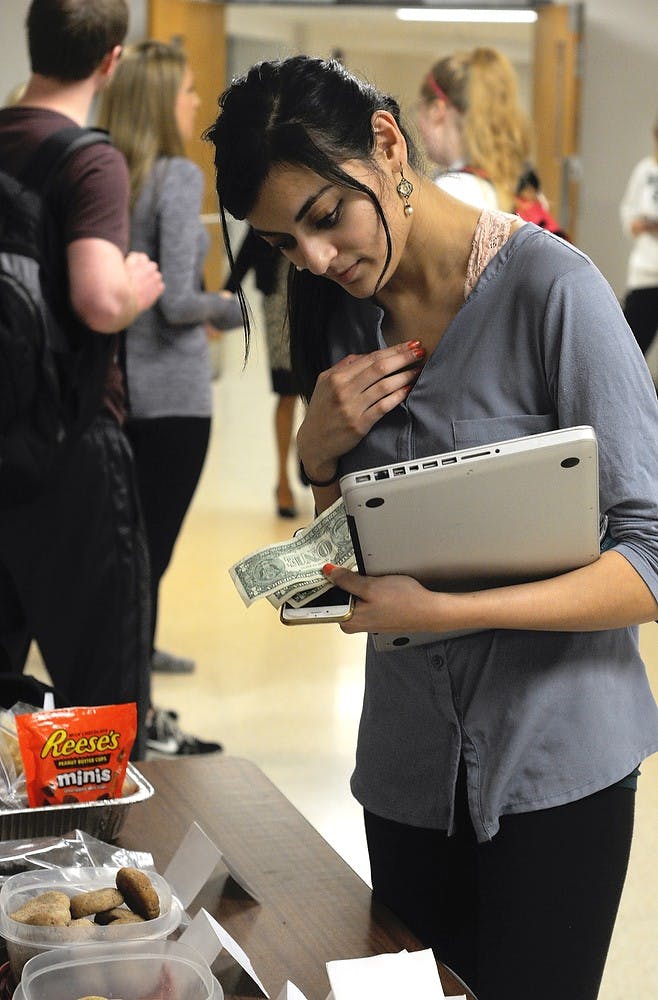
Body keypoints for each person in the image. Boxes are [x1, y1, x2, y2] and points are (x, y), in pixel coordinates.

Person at [206, 55, 658, 1000]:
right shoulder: (341, 312)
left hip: (554, 764)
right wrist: (316, 457)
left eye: (326, 219)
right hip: (411, 768)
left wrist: (451, 609)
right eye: (287, 245)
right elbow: (361, 536)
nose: (318, 261)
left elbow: (649, 559)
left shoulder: (553, 292)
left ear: (387, 142)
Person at [0, 0, 164, 758]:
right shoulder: (86, 157)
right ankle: (88, 857)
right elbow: (99, 300)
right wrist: (136, 284)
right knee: (101, 691)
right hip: (67, 454)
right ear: (111, 60)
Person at [97, 40, 242, 687]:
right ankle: (134, 692)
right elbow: (179, 301)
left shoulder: (103, 175)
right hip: (173, 396)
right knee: (151, 549)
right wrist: (235, 305)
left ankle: (132, 659)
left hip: (115, 390)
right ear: (162, 101)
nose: (194, 104)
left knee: (124, 543)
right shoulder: (178, 177)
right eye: (186, 92)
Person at [225, 228, 302, 518]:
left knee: (317, 389)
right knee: (287, 391)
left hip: (318, 295)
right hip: (278, 298)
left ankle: (309, 458)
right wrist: (227, 290)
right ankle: (282, 482)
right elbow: (252, 239)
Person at [414, 47, 531, 211]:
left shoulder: (452, 192)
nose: (418, 123)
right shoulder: (519, 189)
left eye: (419, 108)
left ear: (436, 110)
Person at [619, 113, 658, 358]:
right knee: (630, 350)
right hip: (644, 272)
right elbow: (628, 211)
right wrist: (638, 225)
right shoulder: (644, 170)